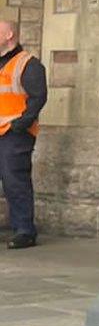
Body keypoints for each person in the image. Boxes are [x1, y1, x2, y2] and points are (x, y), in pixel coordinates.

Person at [0, 19, 44, 250]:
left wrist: (21, 124)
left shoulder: (28, 64)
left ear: (9, 35)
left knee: (14, 180)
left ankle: (24, 230)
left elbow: (38, 97)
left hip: (14, 134)